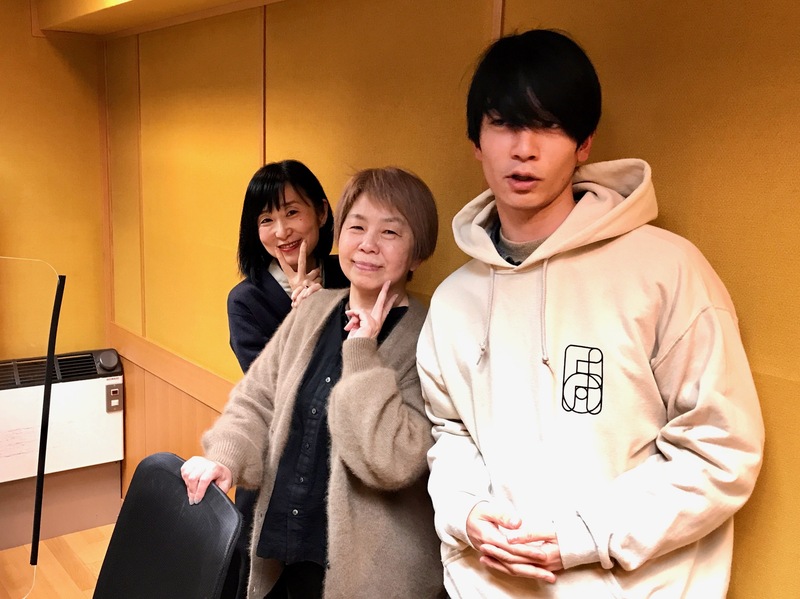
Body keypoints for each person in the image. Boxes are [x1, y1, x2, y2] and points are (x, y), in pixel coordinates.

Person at [417, 29, 764, 598]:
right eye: (503, 123)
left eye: (549, 126)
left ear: (584, 144)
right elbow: (450, 434)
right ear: (476, 140)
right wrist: (466, 513)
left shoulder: (666, 269)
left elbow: (720, 448)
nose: (524, 148)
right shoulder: (454, 301)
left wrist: (581, 536)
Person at [183, 167, 445, 598]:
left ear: (418, 253)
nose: (368, 244)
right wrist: (225, 459)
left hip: (369, 571)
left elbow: (392, 461)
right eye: (357, 227)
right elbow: (256, 400)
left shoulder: (431, 335)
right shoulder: (312, 311)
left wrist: (361, 352)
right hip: (285, 546)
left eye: (390, 232)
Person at [225, 159, 348, 599]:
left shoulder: (351, 276)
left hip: (338, 471)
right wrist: (303, 317)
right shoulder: (247, 300)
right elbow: (278, 394)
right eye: (266, 219)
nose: (282, 231)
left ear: (322, 211)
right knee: (265, 582)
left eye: (292, 212)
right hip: (275, 468)